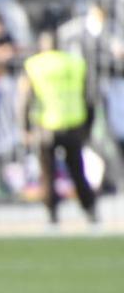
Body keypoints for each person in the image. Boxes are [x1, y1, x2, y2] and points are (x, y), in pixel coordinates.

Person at [16, 31, 97, 226]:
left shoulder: (35, 65)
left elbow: (25, 98)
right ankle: (90, 210)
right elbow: (89, 97)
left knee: (48, 173)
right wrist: (88, 126)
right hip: (74, 124)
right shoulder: (75, 63)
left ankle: (52, 215)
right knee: (78, 171)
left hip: (46, 126)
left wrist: (24, 127)